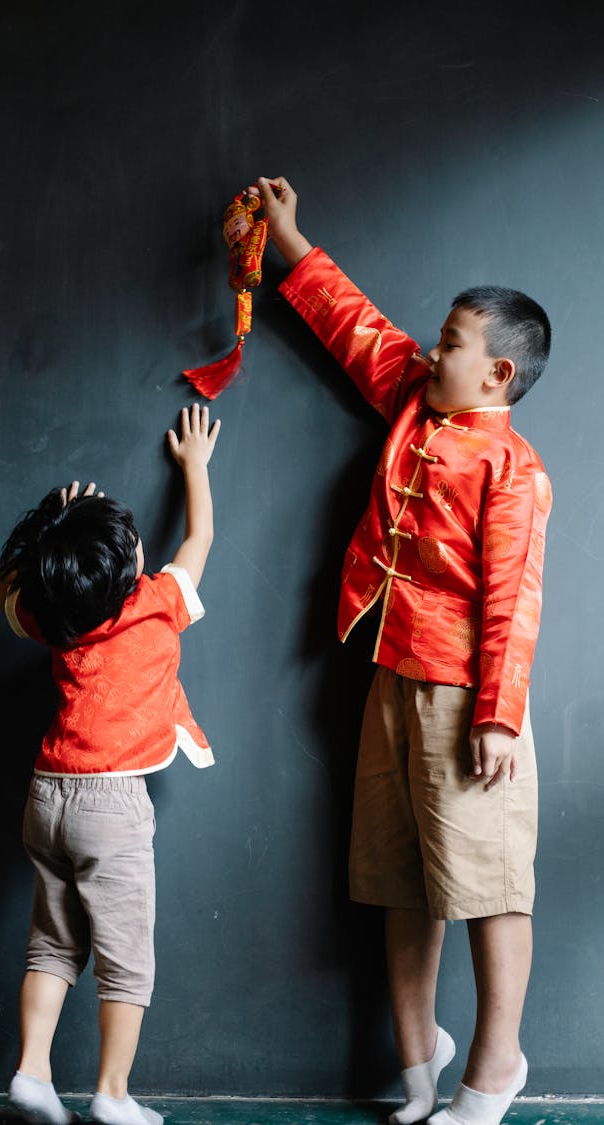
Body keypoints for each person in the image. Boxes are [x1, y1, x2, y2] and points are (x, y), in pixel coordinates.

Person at [250, 176, 552, 1125]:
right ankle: (420, 1068)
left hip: (472, 701)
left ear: (498, 373)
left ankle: (497, 1066)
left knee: (489, 881)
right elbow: (359, 329)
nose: (432, 350)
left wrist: (500, 716)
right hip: (389, 676)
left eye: (454, 344)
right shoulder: (416, 404)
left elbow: (514, 601)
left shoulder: (513, 469)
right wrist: (293, 244)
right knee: (394, 876)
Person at [0, 403, 221, 1125]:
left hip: (46, 795)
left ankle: (31, 1072)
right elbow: (200, 537)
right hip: (111, 806)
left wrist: (54, 529)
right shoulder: (156, 604)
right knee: (126, 958)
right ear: (135, 564)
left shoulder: (48, 612)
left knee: (53, 943)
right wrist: (194, 467)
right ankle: (113, 1094)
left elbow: (2, 586)